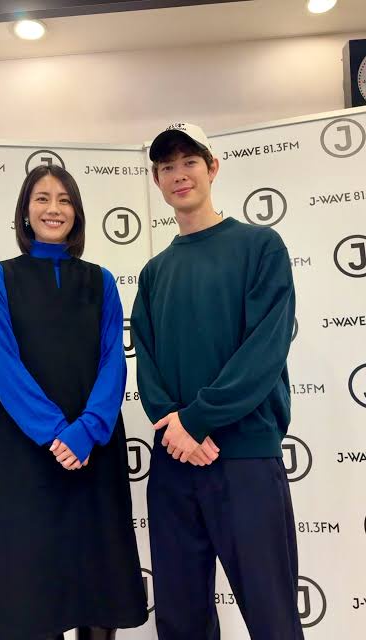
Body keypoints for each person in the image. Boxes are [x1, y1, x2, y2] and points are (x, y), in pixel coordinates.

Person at [131, 123, 304, 640]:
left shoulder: (259, 246)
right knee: (181, 620)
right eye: (166, 167)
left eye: (189, 162)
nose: (178, 175)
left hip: (245, 456)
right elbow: (148, 364)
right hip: (174, 462)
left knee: (271, 615)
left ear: (212, 167)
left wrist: (197, 421)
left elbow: (264, 350)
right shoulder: (155, 272)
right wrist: (176, 427)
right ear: (157, 180)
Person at [0, 164, 147, 640]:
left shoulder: (101, 280)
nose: (54, 208)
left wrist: (87, 429)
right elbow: (4, 366)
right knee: (35, 588)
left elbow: (113, 360)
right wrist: (56, 433)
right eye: (42, 198)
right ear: (25, 212)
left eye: (64, 199)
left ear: (77, 213)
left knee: (100, 577)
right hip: (28, 450)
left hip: (94, 446)